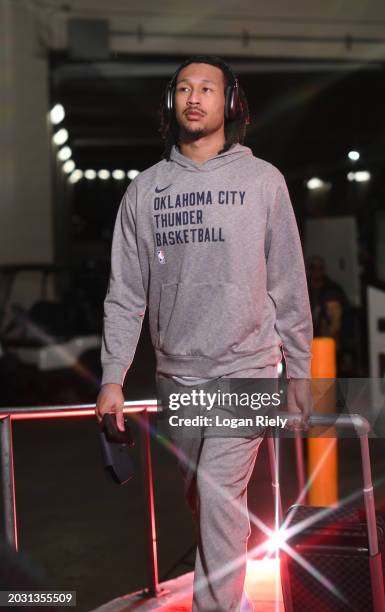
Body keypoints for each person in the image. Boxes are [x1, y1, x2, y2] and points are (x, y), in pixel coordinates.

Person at [95, 55, 313, 612]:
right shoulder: (145, 192)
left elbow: (290, 285)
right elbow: (126, 293)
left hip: (249, 368)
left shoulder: (263, 182)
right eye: (185, 89)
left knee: (218, 497)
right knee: (206, 501)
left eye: (207, 89)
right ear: (172, 102)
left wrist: (301, 372)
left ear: (229, 102)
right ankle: (231, 597)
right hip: (179, 375)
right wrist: (112, 377)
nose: (195, 97)